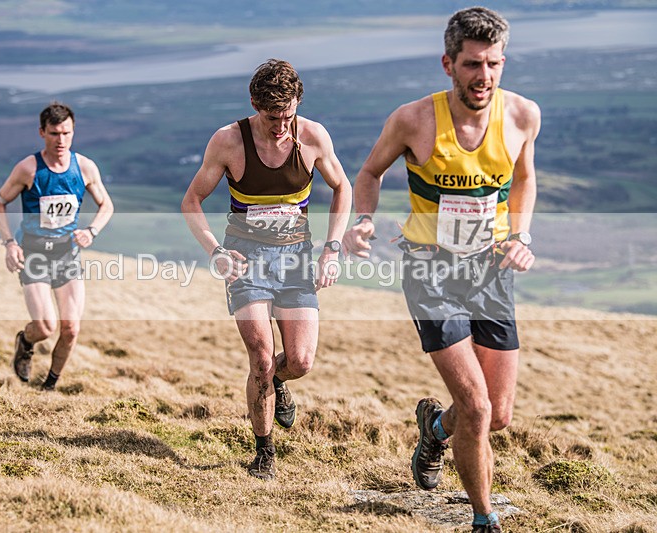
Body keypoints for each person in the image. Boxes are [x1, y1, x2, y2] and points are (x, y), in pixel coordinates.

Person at [342, 7, 539, 532]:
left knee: (498, 415)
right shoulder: (413, 120)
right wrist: (363, 222)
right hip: (431, 272)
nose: (484, 76)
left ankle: (434, 429)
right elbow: (369, 172)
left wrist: (521, 235)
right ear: (448, 64)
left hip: (491, 272)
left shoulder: (522, 115)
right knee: (475, 408)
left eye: (494, 64)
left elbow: (524, 178)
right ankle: (484, 518)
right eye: (473, 64)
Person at [181, 59, 352, 480]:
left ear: (297, 105)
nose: (280, 126)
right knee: (260, 357)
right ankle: (264, 451)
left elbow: (343, 187)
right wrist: (215, 251)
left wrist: (332, 249)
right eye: (272, 117)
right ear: (254, 104)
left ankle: (277, 381)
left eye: (287, 115)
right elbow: (191, 201)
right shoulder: (228, 141)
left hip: (296, 259)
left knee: (301, 361)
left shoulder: (312, 136)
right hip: (245, 259)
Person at [0, 102, 114, 391]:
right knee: (45, 327)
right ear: (42, 133)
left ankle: (49, 387)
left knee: (71, 329)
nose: (61, 140)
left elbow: (107, 205)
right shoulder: (28, 169)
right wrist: (9, 243)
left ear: (73, 132)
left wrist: (92, 231)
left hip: (66, 254)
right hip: (34, 254)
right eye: (55, 133)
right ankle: (25, 342)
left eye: (66, 133)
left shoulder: (85, 167)